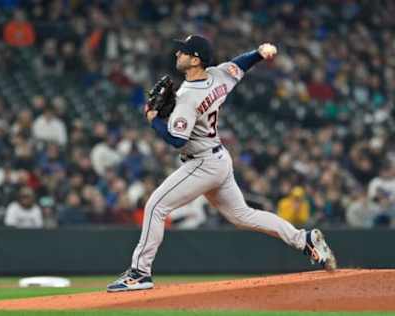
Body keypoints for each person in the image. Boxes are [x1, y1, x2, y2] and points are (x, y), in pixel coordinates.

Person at [107, 35, 336, 292]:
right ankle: (303, 239)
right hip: (218, 159)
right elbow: (241, 64)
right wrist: (259, 53)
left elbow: (176, 140)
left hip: (202, 163)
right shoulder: (218, 76)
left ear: (195, 60)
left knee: (156, 206)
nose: (176, 55)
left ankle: (140, 273)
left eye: (183, 52)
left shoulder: (187, 97)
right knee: (243, 215)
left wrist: (153, 119)